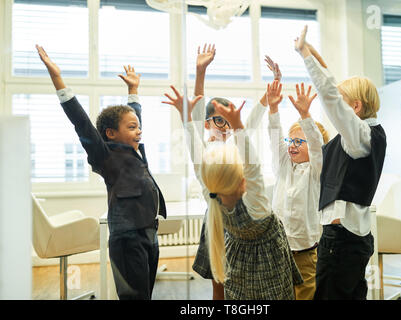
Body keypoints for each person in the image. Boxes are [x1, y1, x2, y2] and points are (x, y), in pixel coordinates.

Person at [36, 45, 167, 300]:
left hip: (149, 234)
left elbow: (135, 116)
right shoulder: (104, 155)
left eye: (138, 127)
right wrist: (57, 78)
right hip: (127, 239)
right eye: (132, 128)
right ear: (110, 134)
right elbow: (80, 120)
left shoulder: (135, 150)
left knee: (145, 294)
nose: (139, 131)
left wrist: (133, 91)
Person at [164, 86, 303, 299]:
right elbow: (252, 165)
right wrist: (237, 125)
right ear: (242, 183)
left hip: (237, 249)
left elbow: (197, 160)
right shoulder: (256, 204)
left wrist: (186, 120)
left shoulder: (210, 191)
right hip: (262, 255)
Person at [295, 26, 387, 300]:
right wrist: (305, 117)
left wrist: (305, 56)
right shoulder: (356, 137)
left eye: (344, 105)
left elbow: (331, 96)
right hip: (345, 239)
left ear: (355, 107)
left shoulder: (361, 137)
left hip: (342, 241)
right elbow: (320, 156)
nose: (335, 110)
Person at [186, 45, 278, 300]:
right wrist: (200, 72)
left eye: (228, 121)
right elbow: (194, 112)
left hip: (242, 218)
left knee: (239, 283)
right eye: (219, 120)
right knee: (219, 282)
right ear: (207, 124)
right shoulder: (204, 150)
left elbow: (252, 122)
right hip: (217, 218)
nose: (225, 127)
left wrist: (269, 93)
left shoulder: (235, 144)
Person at [266, 78, 329, 300]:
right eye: (290, 141)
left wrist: (305, 116)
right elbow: (275, 139)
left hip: (305, 252)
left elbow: (316, 144)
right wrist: (273, 109)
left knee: (305, 294)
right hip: (278, 249)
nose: (292, 146)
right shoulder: (284, 166)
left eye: (298, 142)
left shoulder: (316, 170)